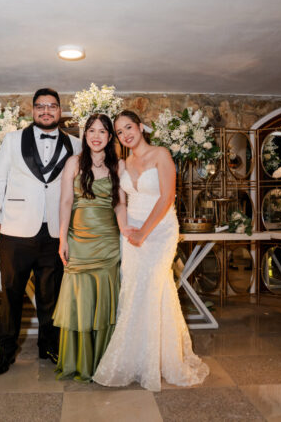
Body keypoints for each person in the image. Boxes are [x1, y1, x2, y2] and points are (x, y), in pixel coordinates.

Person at [93, 110, 209, 391]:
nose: (125, 134)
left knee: (154, 285)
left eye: (128, 127)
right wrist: (124, 227)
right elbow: (119, 201)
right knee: (134, 289)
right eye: (119, 132)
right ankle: (135, 359)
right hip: (132, 232)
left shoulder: (160, 154)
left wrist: (144, 232)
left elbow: (167, 197)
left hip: (159, 232)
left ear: (141, 127)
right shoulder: (122, 164)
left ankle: (162, 360)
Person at [0, 88, 82, 375]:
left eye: (52, 106)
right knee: (11, 294)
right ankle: (5, 353)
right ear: (33, 110)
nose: (46, 111)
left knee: (50, 295)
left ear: (60, 110)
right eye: (40, 106)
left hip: (55, 231)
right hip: (16, 229)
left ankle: (48, 347)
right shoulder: (13, 140)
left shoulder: (76, 144)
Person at [52, 114, 129, 382]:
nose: (96, 136)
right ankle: (80, 362)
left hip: (107, 242)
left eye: (102, 131)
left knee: (106, 301)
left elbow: (120, 204)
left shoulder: (118, 165)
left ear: (110, 137)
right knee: (80, 301)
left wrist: (126, 232)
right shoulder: (73, 162)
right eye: (92, 131)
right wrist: (62, 239)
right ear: (85, 135)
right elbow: (65, 202)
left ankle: (104, 362)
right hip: (78, 241)